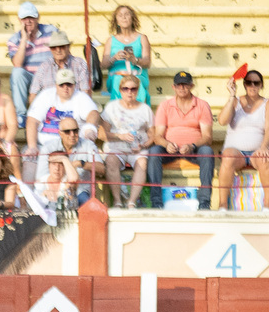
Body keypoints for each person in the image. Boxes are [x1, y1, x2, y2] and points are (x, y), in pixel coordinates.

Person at [147, 71, 215, 210]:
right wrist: (167, 144)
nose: (182, 88)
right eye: (179, 85)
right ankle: (156, 202)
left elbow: (207, 137)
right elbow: (157, 136)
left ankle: (204, 203)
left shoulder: (202, 105)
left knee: (207, 152)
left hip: (194, 149)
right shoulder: (165, 106)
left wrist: (192, 145)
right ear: (173, 87)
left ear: (192, 86)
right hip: (170, 148)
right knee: (154, 152)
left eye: (185, 85)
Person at [24, 69, 101, 182]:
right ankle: (28, 196)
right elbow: (31, 121)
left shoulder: (81, 97)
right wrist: (32, 146)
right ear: (56, 85)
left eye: (69, 84)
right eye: (62, 85)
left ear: (74, 85)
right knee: (29, 159)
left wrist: (89, 129)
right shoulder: (46, 95)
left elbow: (93, 113)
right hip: (43, 146)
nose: (66, 88)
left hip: (71, 148)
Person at [214, 69, 269, 211]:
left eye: (256, 83)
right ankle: (222, 206)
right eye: (249, 82)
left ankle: (267, 206)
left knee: (265, 159)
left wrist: (263, 147)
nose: (252, 86)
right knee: (228, 156)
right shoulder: (236, 101)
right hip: (236, 151)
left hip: (257, 150)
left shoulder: (267, 103)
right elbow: (222, 120)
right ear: (244, 84)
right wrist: (232, 96)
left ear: (261, 85)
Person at [101, 74, 154, 209]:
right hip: (116, 146)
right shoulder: (111, 107)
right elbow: (102, 134)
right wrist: (120, 136)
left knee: (142, 162)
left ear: (138, 90)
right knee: (111, 160)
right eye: (125, 89)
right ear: (120, 90)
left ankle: (131, 201)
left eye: (133, 89)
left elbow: (153, 134)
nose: (129, 92)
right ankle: (118, 201)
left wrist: (143, 145)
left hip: (137, 147)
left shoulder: (145, 109)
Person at [6, 2, 57, 126]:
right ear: (19, 20)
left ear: (37, 18)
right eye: (24, 18)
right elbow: (17, 64)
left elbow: (61, 54)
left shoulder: (51, 31)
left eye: (31, 18)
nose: (28, 21)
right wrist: (24, 39)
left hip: (48, 75)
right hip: (29, 77)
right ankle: (21, 114)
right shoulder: (14, 39)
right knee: (17, 72)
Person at [101, 5, 150, 104]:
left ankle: (138, 113)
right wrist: (114, 58)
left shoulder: (142, 38)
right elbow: (103, 65)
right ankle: (117, 114)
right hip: (117, 76)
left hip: (137, 75)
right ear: (117, 21)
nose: (124, 17)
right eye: (120, 15)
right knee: (118, 80)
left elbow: (147, 62)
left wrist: (135, 60)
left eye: (127, 14)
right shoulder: (111, 40)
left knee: (135, 81)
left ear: (132, 18)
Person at [28, 30, 90, 107]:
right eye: (54, 47)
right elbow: (33, 94)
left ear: (68, 47)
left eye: (62, 46)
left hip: (74, 108)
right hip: (49, 111)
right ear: (50, 49)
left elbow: (85, 92)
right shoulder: (44, 67)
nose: (58, 50)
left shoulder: (79, 64)